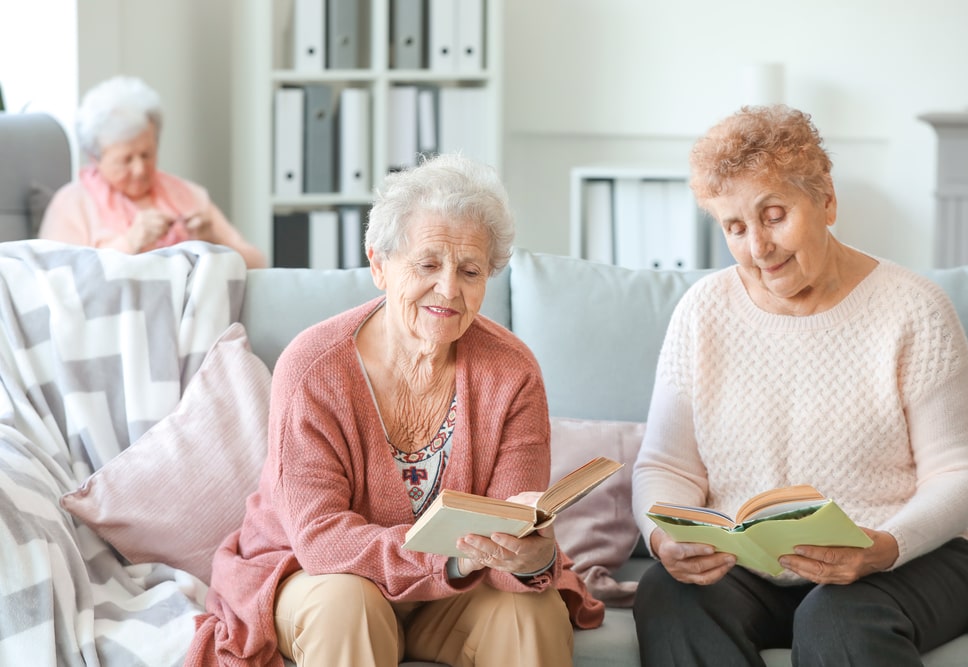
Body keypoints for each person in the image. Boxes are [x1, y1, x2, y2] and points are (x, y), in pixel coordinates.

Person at [187, 153, 603, 667]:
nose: (449, 289)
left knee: (532, 611)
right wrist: (444, 562)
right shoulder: (314, 369)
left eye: (470, 271)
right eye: (428, 264)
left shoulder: (512, 372)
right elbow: (321, 541)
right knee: (348, 605)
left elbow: (511, 523)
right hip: (320, 579)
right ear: (379, 265)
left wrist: (531, 556)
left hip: (455, 588)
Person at [631, 105, 968, 665]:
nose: (757, 246)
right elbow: (666, 466)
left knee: (835, 616)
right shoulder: (702, 312)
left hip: (905, 558)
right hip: (751, 569)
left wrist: (884, 548)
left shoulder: (915, 309)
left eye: (773, 215)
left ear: (826, 200)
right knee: (668, 592)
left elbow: (960, 471)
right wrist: (665, 540)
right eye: (735, 227)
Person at [38, 75, 265, 268]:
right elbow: (57, 280)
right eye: (125, 160)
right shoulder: (71, 205)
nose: (139, 169)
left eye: (147, 154)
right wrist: (128, 243)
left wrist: (214, 242)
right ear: (94, 157)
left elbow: (259, 265)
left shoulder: (188, 196)